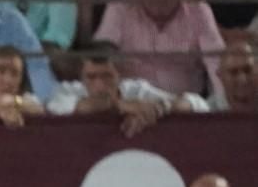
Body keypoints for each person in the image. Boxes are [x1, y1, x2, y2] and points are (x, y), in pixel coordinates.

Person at [95, 0, 223, 99]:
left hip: (183, 105)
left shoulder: (199, 11)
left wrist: (222, 106)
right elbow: (102, 52)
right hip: (132, 102)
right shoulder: (120, 7)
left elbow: (216, 62)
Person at [47, 40, 205, 133]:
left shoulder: (136, 90)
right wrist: (121, 106)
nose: (100, 84)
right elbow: (58, 109)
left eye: (106, 76)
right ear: (81, 76)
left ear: (120, 74)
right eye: (91, 77)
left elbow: (196, 103)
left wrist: (158, 109)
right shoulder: (67, 90)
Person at [210, 40, 256, 112]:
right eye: (233, 72)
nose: (242, 79)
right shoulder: (207, 111)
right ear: (220, 76)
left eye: (248, 70)